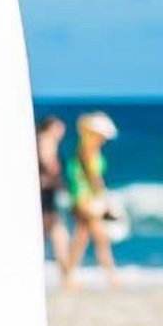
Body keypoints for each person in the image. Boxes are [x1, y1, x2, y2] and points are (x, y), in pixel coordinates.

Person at [62, 109, 121, 287]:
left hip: (82, 198)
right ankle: (112, 277)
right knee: (100, 239)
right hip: (86, 199)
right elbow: (93, 177)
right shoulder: (88, 150)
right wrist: (104, 197)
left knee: (81, 238)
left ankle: (69, 277)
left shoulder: (86, 148)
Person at [37, 114, 71, 269]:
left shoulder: (44, 141)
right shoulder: (45, 141)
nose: (62, 130)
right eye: (59, 126)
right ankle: (66, 278)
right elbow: (51, 168)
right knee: (58, 236)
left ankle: (66, 278)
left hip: (47, 195)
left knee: (58, 235)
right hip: (43, 196)